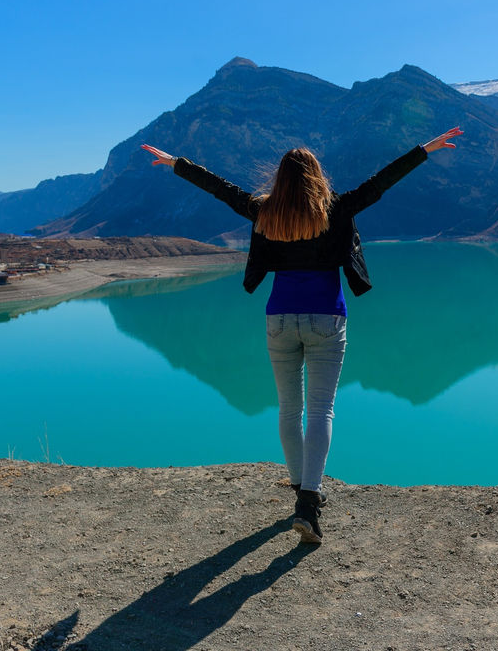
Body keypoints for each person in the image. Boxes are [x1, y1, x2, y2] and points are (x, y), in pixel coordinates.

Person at [142, 127, 462, 543]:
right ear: (316, 176)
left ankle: (300, 490)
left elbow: (222, 190)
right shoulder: (337, 209)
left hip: (278, 319)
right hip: (327, 319)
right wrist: (424, 150)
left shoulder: (265, 212)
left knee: (288, 410)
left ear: (280, 179)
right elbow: (379, 184)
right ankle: (308, 501)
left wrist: (177, 165)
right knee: (321, 410)